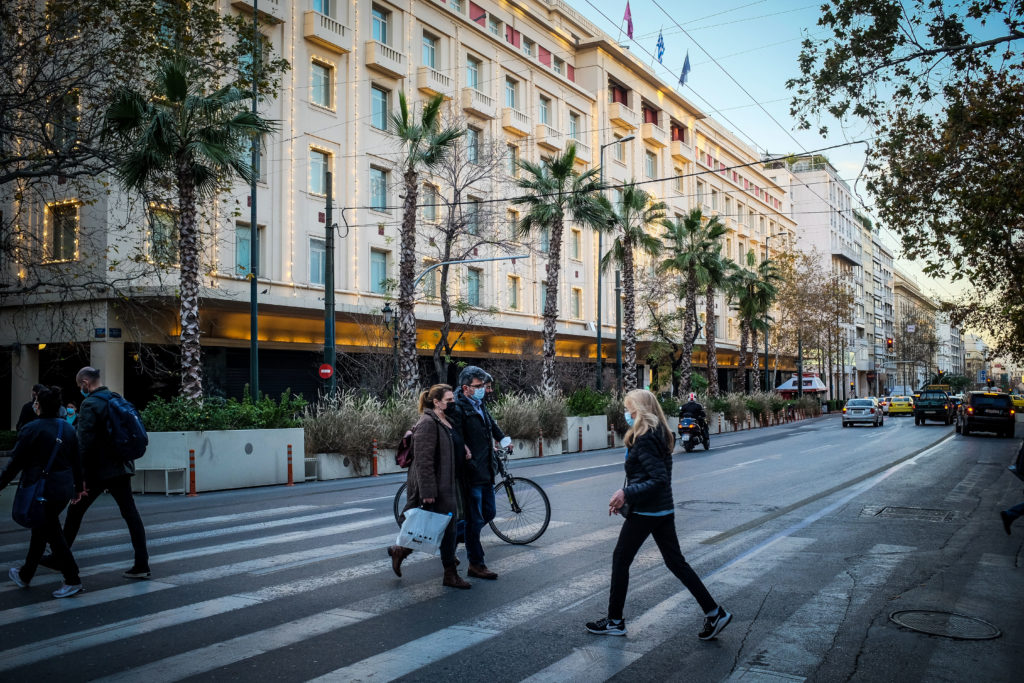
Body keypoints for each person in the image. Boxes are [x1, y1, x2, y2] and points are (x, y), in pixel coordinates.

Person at [586, 389, 731, 640]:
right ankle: (714, 612)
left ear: (640, 410)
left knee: (621, 559)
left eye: (629, 408)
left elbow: (658, 479)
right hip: (661, 509)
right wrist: (624, 496)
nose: (627, 413)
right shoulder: (659, 433)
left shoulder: (645, 437)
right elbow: (649, 476)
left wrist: (626, 493)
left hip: (647, 510)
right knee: (676, 563)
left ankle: (615, 621)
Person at [48, 367, 150, 579]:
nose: (80, 389)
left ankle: (60, 557)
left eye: (80, 385)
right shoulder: (115, 398)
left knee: (75, 511)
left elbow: (83, 444)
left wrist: (80, 477)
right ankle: (142, 564)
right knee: (131, 514)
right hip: (122, 467)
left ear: (86, 382)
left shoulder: (90, 404)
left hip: (99, 470)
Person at [1, 386, 85, 598]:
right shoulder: (67, 429)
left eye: (36, 402)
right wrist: (77, 487)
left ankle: (72, 578)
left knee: (53, 533)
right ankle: (25, 574)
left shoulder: (31, 429)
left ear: (39, 406)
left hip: (42, 489)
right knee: (41, 530)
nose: (34, 405)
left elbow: (15, 463)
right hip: (63, 488)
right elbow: (77, 460)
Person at [388, 384, 471, 589]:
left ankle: (400, 551)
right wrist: (427, 492)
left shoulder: (445, 420)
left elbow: (451, 444)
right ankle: (449, 574)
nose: (453, 403)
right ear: (436, 402)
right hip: (437, 485)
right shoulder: (428, 422)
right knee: (447, 529)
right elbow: (423, 461)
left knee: (441, 529)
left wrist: (464, 450)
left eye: (453, 399)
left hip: (450, 482)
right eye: (449, 400)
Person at [451, 366, 510, 581]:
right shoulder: (457, 407)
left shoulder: (479, 404)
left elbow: (491, 424)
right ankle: (476, 564)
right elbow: (455, 436)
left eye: (483, 386)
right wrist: (464, 449)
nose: (483, 390)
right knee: (475, 520)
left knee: (488, 513)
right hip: (470, 472)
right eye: (478, 386)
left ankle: (447, 540)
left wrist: (503, 439)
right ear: (466, 388)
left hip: (486, 469)